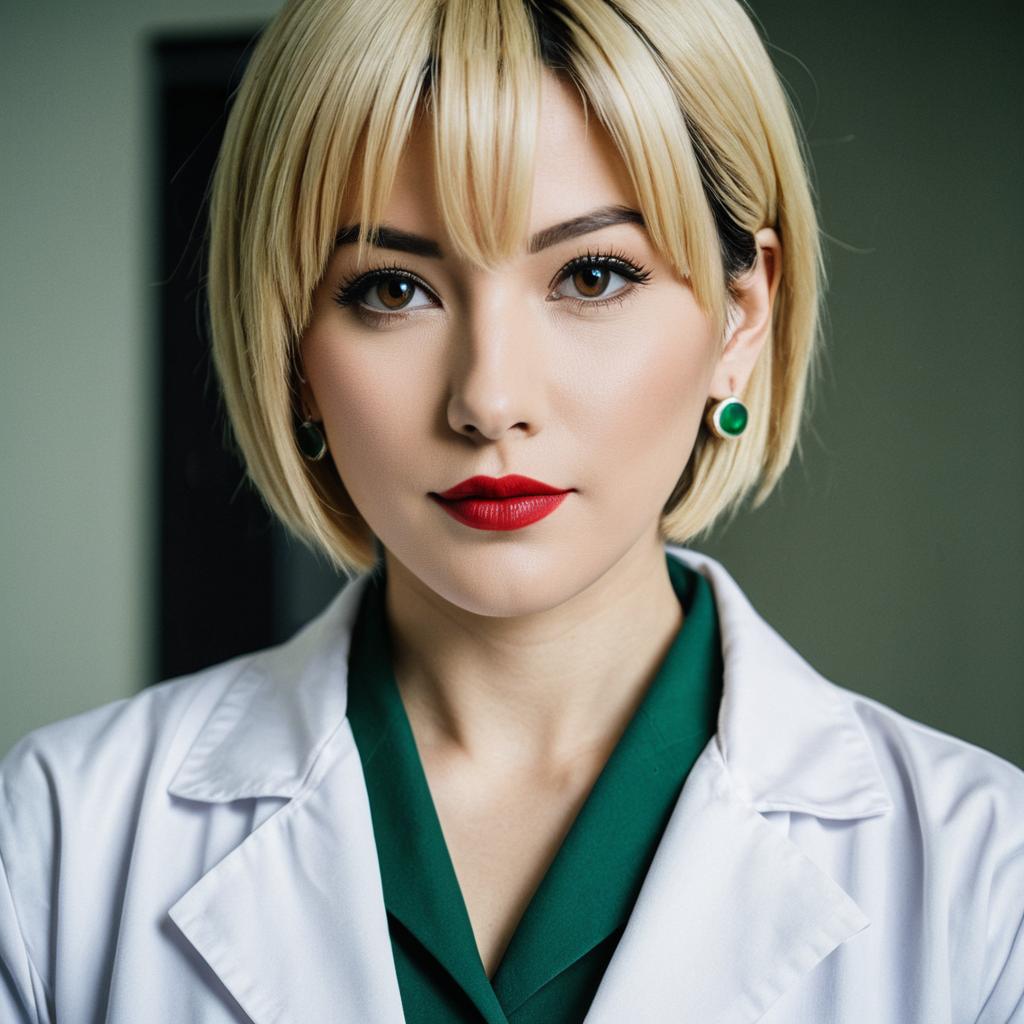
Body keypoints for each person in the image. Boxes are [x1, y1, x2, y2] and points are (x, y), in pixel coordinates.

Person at [2, 0, 1022, 1020]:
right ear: (291, 346)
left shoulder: (987, 878)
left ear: (740, 317)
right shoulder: (52, 839)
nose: (489, 399)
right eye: (392, 289)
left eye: (591, 275)